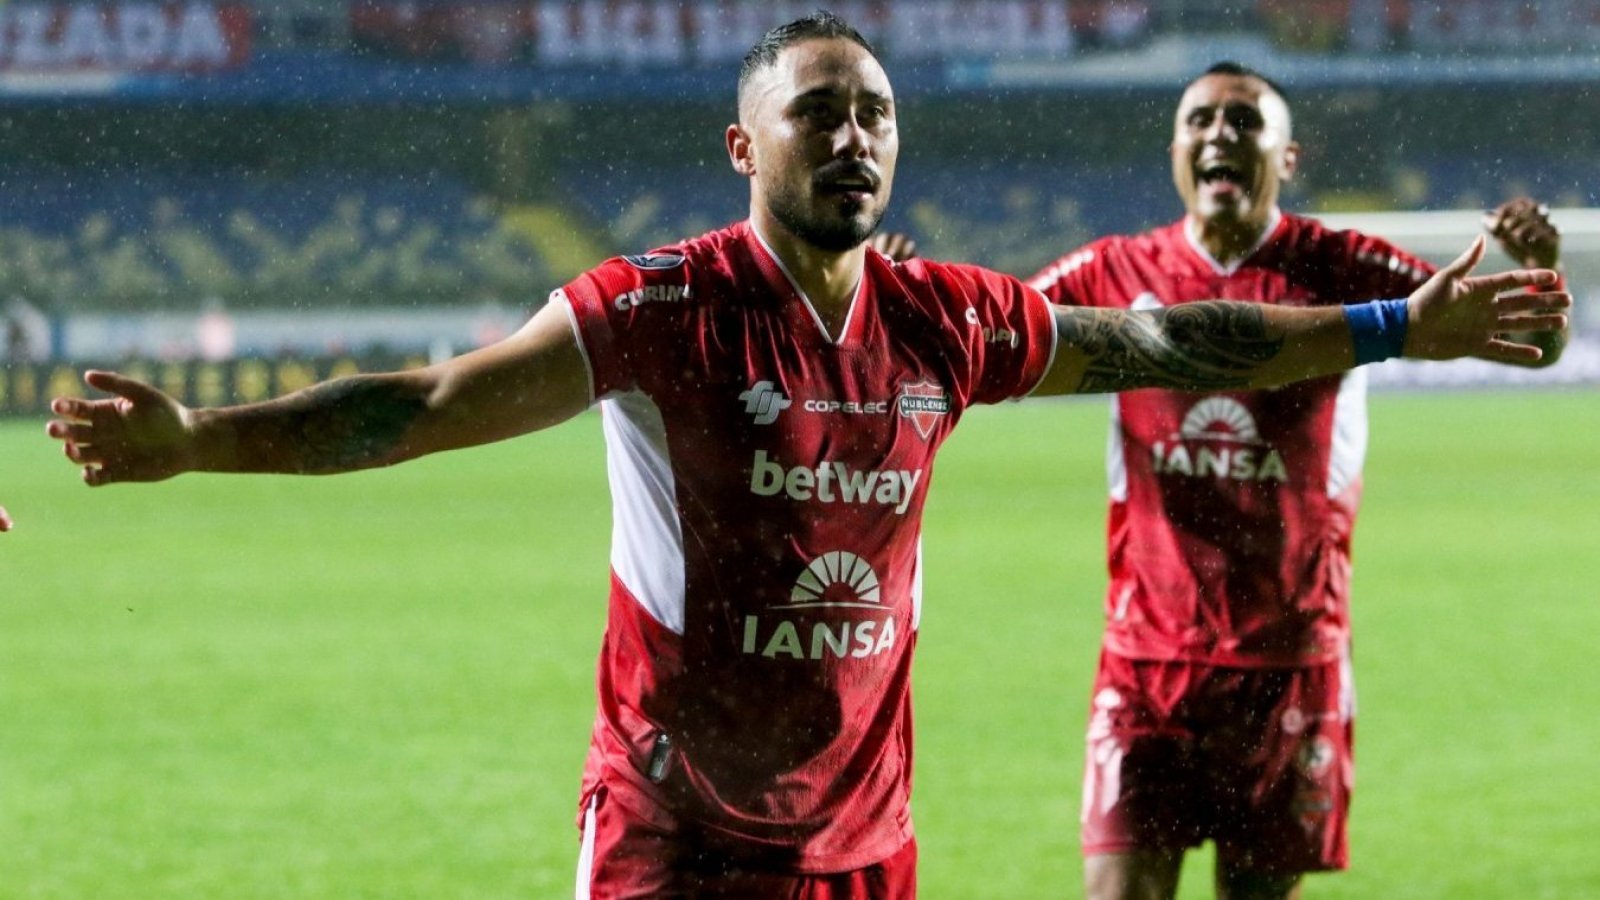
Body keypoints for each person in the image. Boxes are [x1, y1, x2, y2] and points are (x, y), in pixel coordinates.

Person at [44, 19, 1566, 898]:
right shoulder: (656, 306)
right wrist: (200, 443)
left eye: (877, 114)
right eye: (819, 112)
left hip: (862, 840)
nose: (855, 136)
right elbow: (431, 401)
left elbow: (1174, 341)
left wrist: (1391, 325)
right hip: (669, 825)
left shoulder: (947, 321)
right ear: (743, 146)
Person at [1020, 64, 1564, 900]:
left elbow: (1520, 338)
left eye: (1245, 122)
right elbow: (999, 339)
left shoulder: (1338, 264)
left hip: (1289, 663)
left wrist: (1533, 280)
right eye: (1201, 120)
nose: (1220, 135)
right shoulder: (1116, 268)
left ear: (1289, 156)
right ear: (1175, 150)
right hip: (1145, 663)